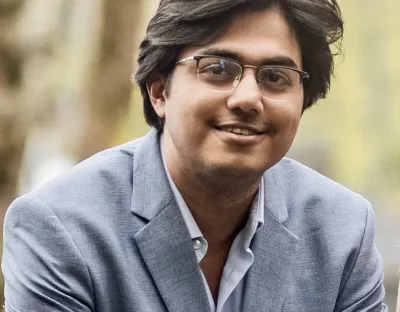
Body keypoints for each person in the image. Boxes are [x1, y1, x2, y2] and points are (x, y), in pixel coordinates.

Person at [2, 0, 387, 311]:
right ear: (159, 90)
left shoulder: (343, 233)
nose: (248, 99)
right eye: (218, 69)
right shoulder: (61, 228)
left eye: (274, 77)